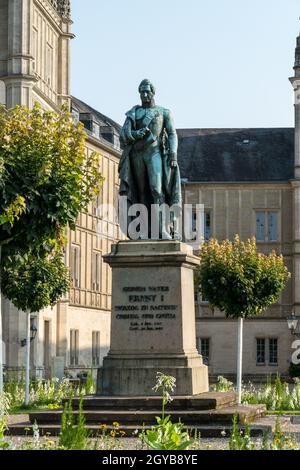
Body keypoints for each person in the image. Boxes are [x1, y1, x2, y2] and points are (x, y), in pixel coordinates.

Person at [119, 79, 181, 239]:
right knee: (140, 192)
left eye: (147, 91)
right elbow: (124, 134)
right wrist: (134, 134)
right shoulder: (134, 113)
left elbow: (172, 133)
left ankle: (161, 229)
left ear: (153, 93)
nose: (144, 95)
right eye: (142, 92)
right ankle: (142, 231)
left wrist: (173, 153)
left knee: (156, 189)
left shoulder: (163, 112)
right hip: (136, 155)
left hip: (154, 154)